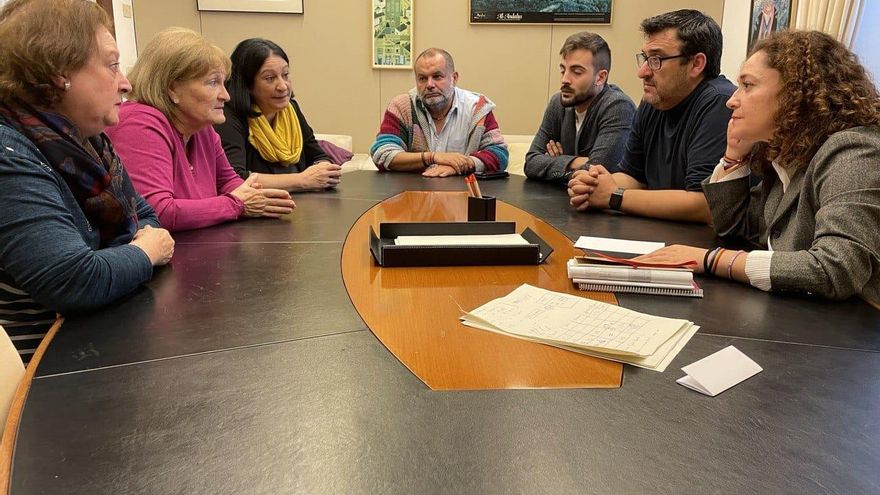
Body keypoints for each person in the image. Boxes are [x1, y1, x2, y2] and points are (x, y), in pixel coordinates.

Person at [636, 30, 880, 304]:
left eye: (748, 85)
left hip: (856, 326)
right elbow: (734, 227)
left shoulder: (853, 151)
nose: (732, 100)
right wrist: (733, 157)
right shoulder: (788, 156)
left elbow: (837, 267)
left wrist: (713, 259)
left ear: (795, 93)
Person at [0, 0, 174, 364]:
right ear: (57, 72)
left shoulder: (86, 140)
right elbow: (71, 279)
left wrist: (128, 254)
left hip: (96, 337)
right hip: (45, 368)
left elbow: (144, 215)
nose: (125, 83)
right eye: (112, 64)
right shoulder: (9, 152)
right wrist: (145, 253)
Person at [107, 28, 295, 232]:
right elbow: (157, 212)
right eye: (213, 83)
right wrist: (237, 204)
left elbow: (228, 181)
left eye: (223, 83)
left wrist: (252, 195)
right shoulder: (138, 124)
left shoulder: (199, 125)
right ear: (173, 89)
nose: (226, 96)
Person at [568, 9, 735, 223]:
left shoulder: (721, 103)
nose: (643, 72)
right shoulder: (655, 99)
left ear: (696, 64)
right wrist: (591, 184)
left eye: (656, 59)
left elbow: (704, 204)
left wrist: (614, 196)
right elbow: (633, 176)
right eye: (645, 58)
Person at [215, 38, 342, 192]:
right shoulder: (228, 118)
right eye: (270, 78)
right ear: (247, 84)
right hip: (258, 204)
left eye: (285, 74)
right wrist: (302, 180)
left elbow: (318, 155)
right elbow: (234, 178)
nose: (283, 86)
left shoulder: (291, 109)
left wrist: (323, 169)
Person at [370, 48, 508, 177]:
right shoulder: (402, 107)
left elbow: (500, 155)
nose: (429, 84)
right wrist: (432, 157)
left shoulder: (476, 108)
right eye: (422, 78)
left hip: (463, 191)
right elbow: (382, 154)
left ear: (454, 78)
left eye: (437, 76)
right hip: (413, 191)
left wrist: (460, 166)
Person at [525, 32, 635, 184]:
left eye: (576, 72)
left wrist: (558, 161)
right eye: (563, 70)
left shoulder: (618, 107)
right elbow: (531, 163)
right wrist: (576, 161)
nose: (565, 79)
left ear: (600, 77)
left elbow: (595, 175)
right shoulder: (558, 103)